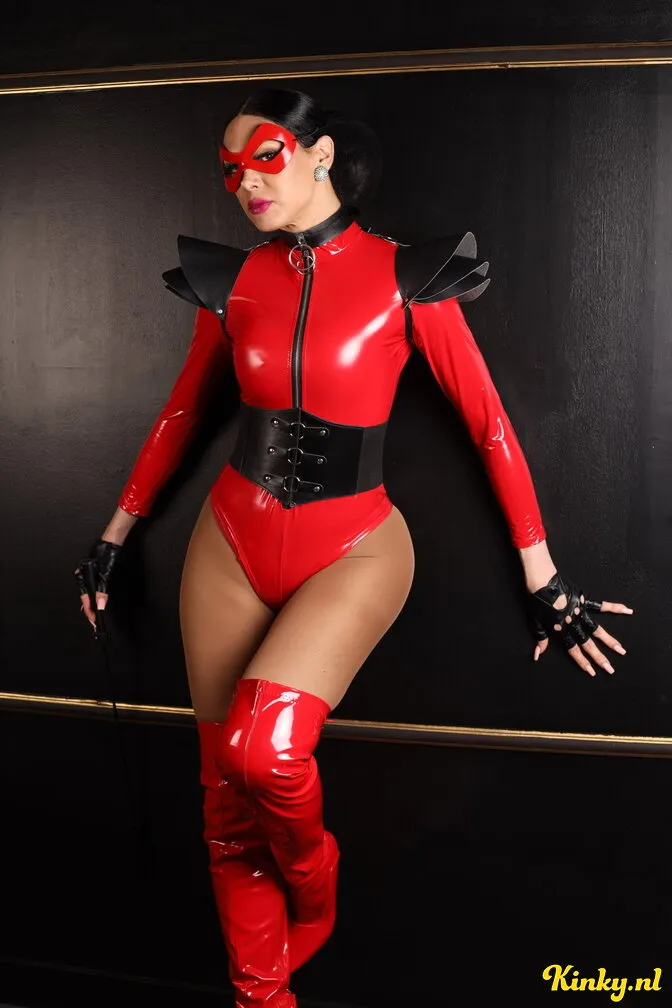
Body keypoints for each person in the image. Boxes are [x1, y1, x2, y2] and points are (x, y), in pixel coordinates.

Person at [74, 87, 633, 1007]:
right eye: (229, 169)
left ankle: (315, 880)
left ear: (320, 153)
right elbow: (181, 415)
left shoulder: (405, 276)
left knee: (264, 755)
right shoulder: (234, 283)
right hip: (228, 541)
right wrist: (112, 538)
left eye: (264, 156)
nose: (243, 183)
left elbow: (489, 425)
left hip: (356, 547)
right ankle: (262, 998)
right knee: (223, 804)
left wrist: (546, 579)